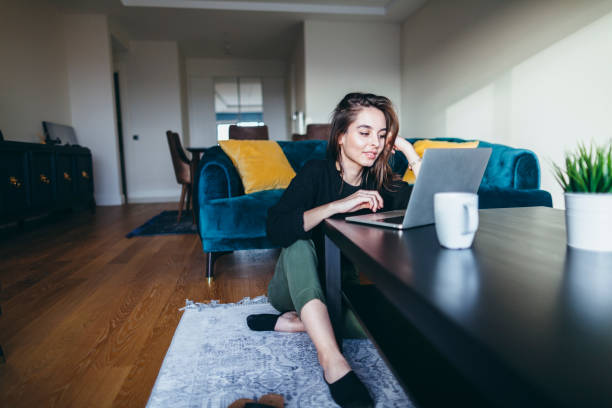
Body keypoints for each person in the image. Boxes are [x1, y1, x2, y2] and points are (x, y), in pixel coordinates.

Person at [246, 92, 422, 407]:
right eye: (365, 133)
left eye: (381, 136)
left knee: (383, 328)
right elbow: (276, 227)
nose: (375, 143)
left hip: (341, 288)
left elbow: (429, 203)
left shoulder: (380, 182)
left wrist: (409, 152)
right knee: (298, 240)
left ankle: (296, 323)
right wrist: (338, 205)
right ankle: (332, 362)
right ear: (341, 136)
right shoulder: (316, 172)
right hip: (291, 285)